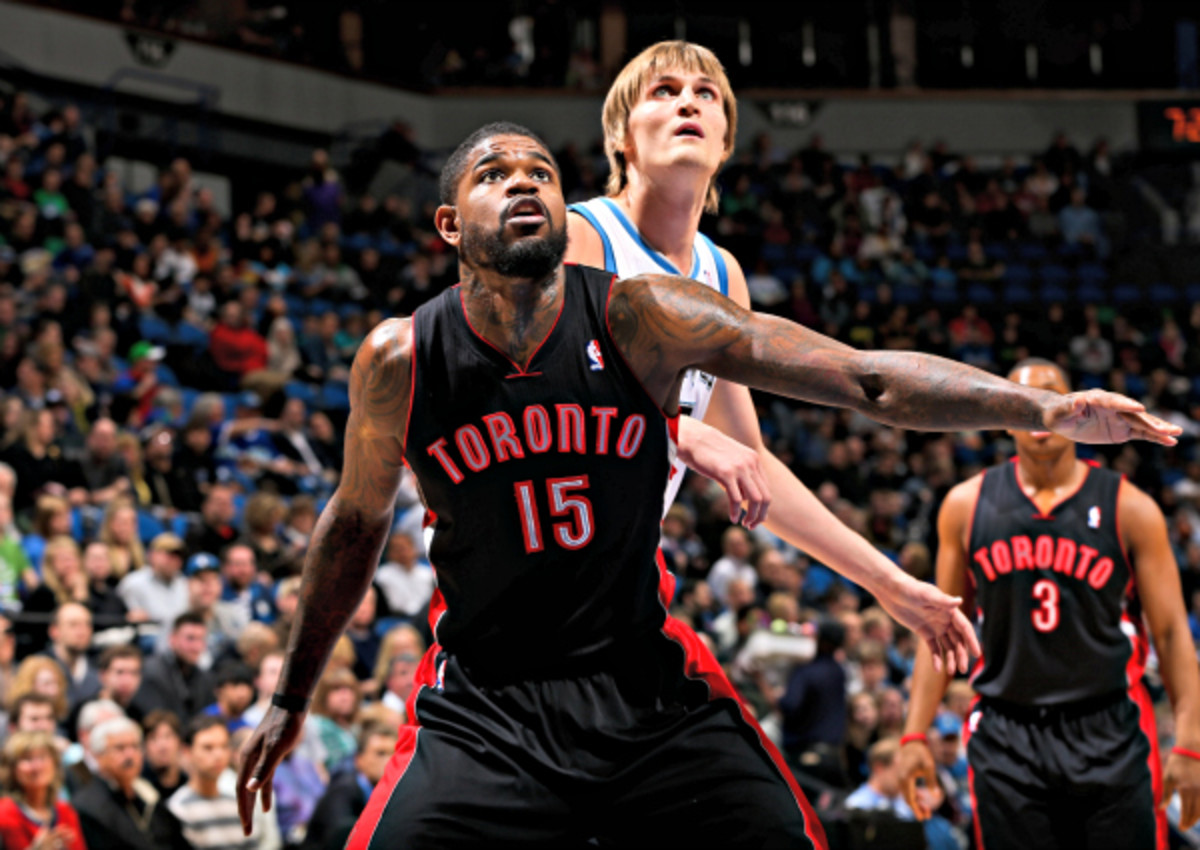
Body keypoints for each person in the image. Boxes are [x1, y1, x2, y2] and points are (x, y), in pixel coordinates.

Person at [236, 123, 1177, 848]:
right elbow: (356, 524)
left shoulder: (644, 317)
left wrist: (1036, 410)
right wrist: (289, 697)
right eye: (494, 175)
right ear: (450, 224)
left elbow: (863, 378)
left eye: (540, 174)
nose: (523, 181)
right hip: (489, 703)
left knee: (781, 832)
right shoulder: (401, 359)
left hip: (641, 684)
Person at [562, 40, 997, 666]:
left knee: (741, 764)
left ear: (724, 142)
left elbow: (754, 464)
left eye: (705, 95)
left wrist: (887, 582)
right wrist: (677, 432)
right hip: (532, 567)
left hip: (624, 580)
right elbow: (545, 398)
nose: (689, 101)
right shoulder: (583, 234)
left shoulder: (720, 273)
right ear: (621, 138)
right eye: (665, 91)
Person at [898, 359, 1200, 850]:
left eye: (1052, 396)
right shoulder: (964, 505)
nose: (1040, 412)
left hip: (1110, 727)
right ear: (1005, 415)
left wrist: (1190, 740)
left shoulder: (1131, 508)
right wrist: (913, 733)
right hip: (1005, 732)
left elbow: (1170, 635)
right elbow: (939, 629)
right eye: (1025, 402)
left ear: (1078, 406)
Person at [73, 716, 186, 850]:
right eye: (120, 748)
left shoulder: (148, 794)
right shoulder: (87, 807)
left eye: (135, 746)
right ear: (98, 755)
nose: (130, 755)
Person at [300, 723, 397, 850]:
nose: (388, 761)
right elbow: (339, 840)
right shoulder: (342, 791)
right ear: (359, 759)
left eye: (393, 754)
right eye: (380, 753)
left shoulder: (389, 794)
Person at [167, 716, 256, 850]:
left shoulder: (237, 806)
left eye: (224, 746)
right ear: (187, 752)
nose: (218, 755)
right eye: (208, 748)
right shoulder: (178, 809)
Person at [0, 730, 87, 850]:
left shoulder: (66, 811)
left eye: (42, 757)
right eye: (28, 759)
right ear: (11, 769)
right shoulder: (5, 813)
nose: (37, 766)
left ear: (55, 764)